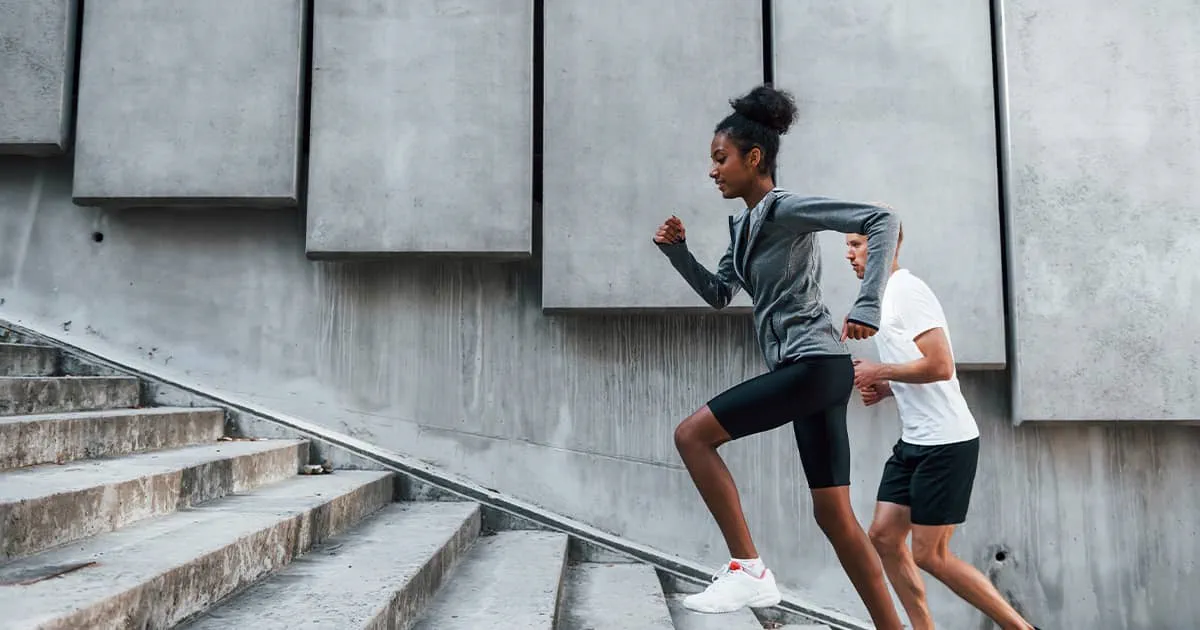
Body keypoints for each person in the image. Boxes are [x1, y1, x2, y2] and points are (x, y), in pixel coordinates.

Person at [652, 84, 903, 629]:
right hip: (813, 371)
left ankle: (748, 569)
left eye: (720, 159)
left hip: (814, 365)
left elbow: (881, 220)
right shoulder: (743, 226)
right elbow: (721, 293)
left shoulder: (785, 208)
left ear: (754, 157)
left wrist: (867, 302)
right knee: (834, 516)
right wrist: (678, 254)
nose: (712, 171)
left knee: (692, 436)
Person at [845, 229, 1040, 630]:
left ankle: (1021, 628)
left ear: (883, 245)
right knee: (883, 536)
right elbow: (918, 368)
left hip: (946, 442)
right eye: (847, 245)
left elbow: (941, 365)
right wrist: (889, 387)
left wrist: (880, 370)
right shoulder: (881, 297)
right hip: (915, 441)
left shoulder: (907, 291)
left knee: (930, 555)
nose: (848, 254)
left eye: (856, 244)